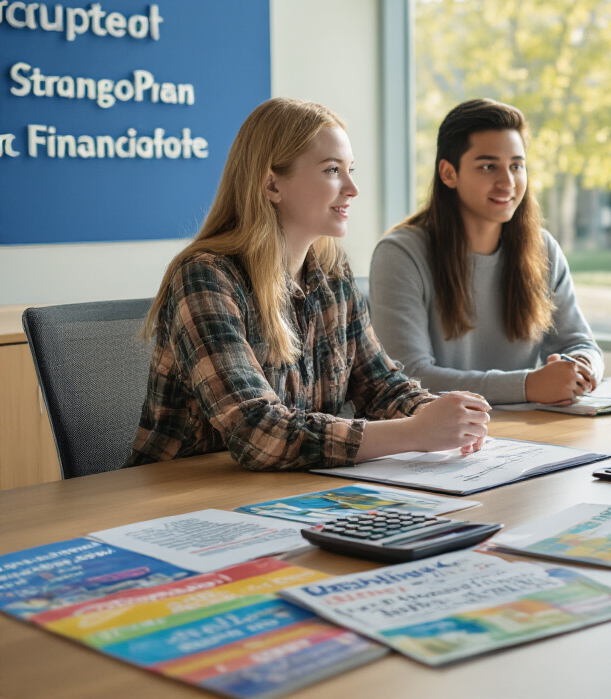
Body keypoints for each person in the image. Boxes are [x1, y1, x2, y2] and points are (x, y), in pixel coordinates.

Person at [129, 97, 490, 472]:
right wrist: (417, 432)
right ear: (271, 185)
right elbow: (258, 433)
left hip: (285, 491)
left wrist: (444, 415)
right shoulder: (204, 277)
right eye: (333, 170)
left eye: (351, 169)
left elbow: (381, 385)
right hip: (178, 499)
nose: (353, 188)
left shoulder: (333, 275)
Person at [369, 98, 603, 406]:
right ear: (448, 173)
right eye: (488, 166)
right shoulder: (401, 254)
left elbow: (580, 342)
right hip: (434, 443)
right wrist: (527, 386)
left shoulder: (542, 249)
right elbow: (408, 376)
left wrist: (582, 367)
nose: (507, 182)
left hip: (523, 436)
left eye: (516, 166)